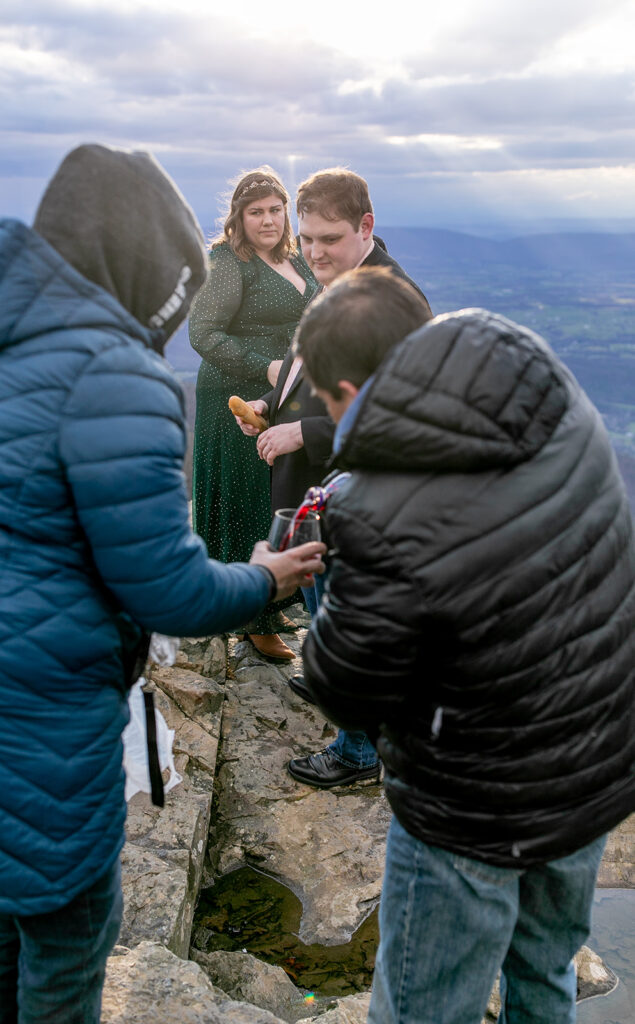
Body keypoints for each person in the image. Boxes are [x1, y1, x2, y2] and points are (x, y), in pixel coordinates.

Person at [0, 143, 325, 1024]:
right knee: (72, 934)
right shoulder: (114, 376)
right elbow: (170, 593)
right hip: (39, 702)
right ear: (143, 268)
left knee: (18, 906)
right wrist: (264, 577)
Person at [295, 266, 635, 1024]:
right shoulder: (529, 368)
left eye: (323, 400)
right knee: (544, 972)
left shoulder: (378, 506)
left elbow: (346, 687)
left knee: (420, 1009)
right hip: (594, 762)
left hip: (474, 807)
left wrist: (318, 573)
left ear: (347, 391)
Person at [238, 167, 432, 788]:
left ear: (366, 227)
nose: (314, 252)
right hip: (315, 491)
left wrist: (306, 433)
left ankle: (358, 750)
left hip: (358, 499)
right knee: (324, 613)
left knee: (347, 620)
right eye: (308, 238)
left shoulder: (394, 301)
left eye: (330, 238)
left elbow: (408, 416)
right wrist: (274, 404)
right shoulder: (336, 284)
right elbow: (305, 361)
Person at [189, 166, 318, 662]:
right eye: (255, 212)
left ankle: (271, 601)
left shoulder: (295, 258)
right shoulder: (229, 263)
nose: (267, 220)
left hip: (283, 391)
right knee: (245, 498)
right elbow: (203, 333)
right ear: (239, 218)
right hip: (235, 395)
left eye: (275, 209)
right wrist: (262, 366)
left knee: (274, 493)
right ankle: (251, 619)